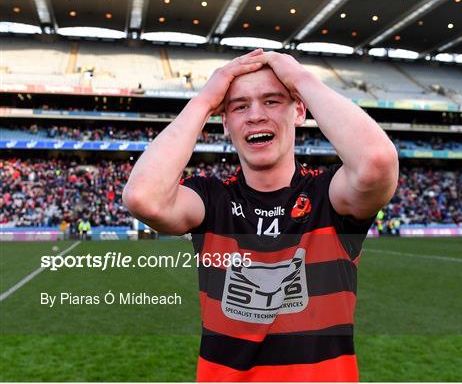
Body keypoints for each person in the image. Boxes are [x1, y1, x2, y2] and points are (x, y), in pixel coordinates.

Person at [123, 49, 398, 381]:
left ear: (299, 110)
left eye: (271, 101)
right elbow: (142, 197)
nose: (255, 115)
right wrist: (204, 101)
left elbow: (377, 162)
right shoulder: (212, 200)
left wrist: (299, 78)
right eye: (240, 106)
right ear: (225, 122)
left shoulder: (328, 196)